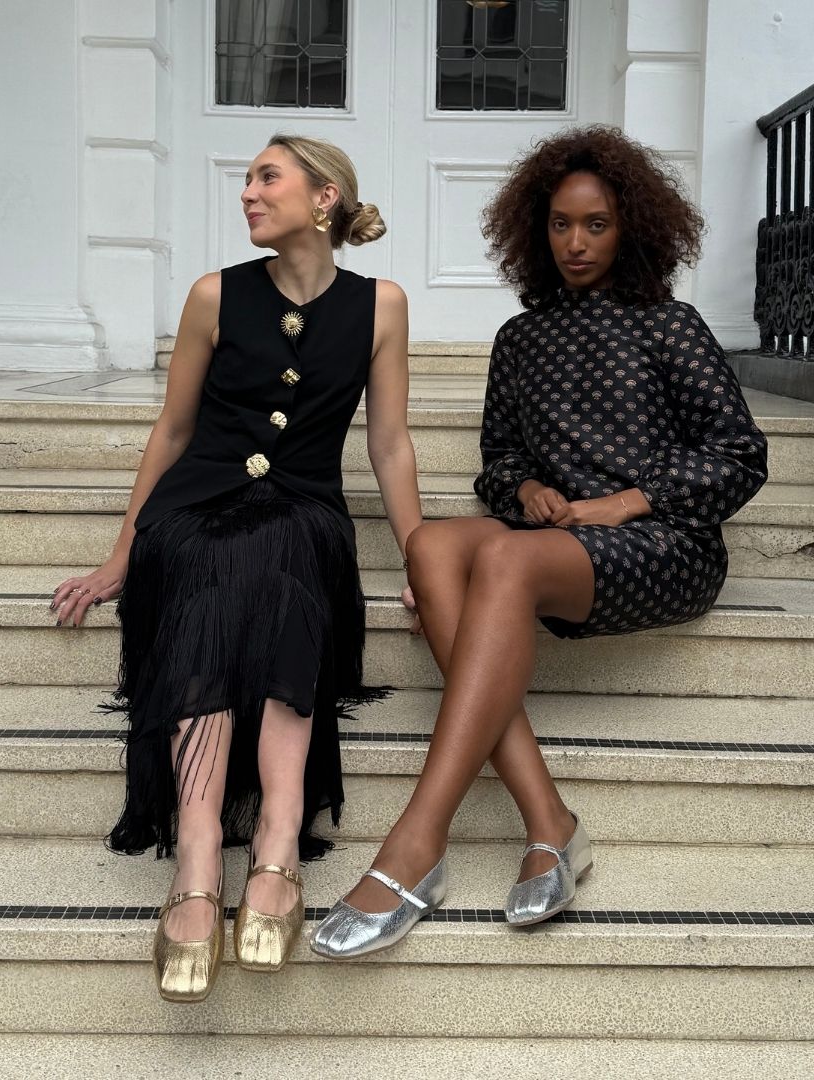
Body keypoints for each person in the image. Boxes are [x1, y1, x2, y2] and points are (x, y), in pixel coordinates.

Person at [312, 125, 769, 959]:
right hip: (551, 538)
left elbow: (740, 458)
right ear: (536, 229)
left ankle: (417, 842)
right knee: (434, 548)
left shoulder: (670, 324)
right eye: (561, 224)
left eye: (595, 224)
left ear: (632, 226)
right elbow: (500, 463)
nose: (576, 242)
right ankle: (549, 820)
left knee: (504, 558)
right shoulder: (522, 339)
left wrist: (624, 503)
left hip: (664, 544)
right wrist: (525, 488)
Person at [50, 134, 421, 999]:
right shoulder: (213, 295)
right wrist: (122, 552)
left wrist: (421, 554)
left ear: (324, 198)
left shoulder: (383, 306)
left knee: (282, 554)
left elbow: (391, 443)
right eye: (248, 181)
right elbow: (173, 432)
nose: (248, 194)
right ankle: (197, 850)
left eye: (267, 178)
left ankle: (279, 835)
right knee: (218, 562)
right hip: (197, 508)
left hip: (305, 510)